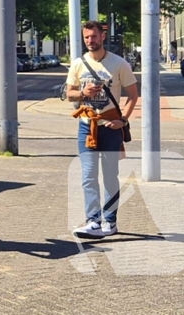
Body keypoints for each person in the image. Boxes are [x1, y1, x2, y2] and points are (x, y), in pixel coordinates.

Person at [65, 20, 138, 240]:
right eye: (86, 37)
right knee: (88, 176)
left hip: (110, 126)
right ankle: (93, 222)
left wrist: (122, 120)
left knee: (109, 176)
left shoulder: (118, 64)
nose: (90, 41)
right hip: (86, 127)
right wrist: (83, 93)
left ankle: (110, 220)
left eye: (93, 37)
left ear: (102, 37)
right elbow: (69, 94)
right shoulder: (78, 64)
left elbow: (133, 95)